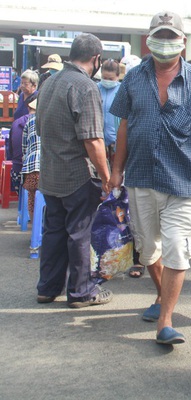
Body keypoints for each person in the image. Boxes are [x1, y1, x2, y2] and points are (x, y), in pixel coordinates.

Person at [108, 11, 191, 345]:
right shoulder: (133, 77)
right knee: (148, 249)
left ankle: (165, 321)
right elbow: (123, 125)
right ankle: (162, 295)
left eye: (171, 36)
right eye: (159, 36)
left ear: (183, 42)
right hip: (140, 176)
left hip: (184, 181)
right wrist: (116, 169)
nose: (165, 43)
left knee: (178, 248)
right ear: (149, 41)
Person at [35, 33, 113, 308]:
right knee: (79, 233)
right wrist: (106, 177)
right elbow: (93, 139)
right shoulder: (85, 87)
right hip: (76, 174)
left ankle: (48, 288)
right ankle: (81, 292)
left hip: (51, 171)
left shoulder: (49, 82)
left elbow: (40, 128)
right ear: (96, 59)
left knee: (54, 231)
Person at [8, 96, 34, 192]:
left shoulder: (16, 123)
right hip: (37, 174)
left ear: (28, 107)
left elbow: (10, 150)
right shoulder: (42, 122)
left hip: (17, 171)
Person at [97, 59, 121, 159]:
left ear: (118, 77)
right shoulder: (95, 88)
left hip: (116, 141)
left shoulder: (122, 90)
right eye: (104, 78)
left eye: (110, 79)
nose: (107, 81)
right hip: (98, 141)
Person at [21, 98, 40, 219]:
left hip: (32, 168)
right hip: (52, 171)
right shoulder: (55, 119)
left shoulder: (29, 121)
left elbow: (24, 149)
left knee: (32, 197)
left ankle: (34, 226)